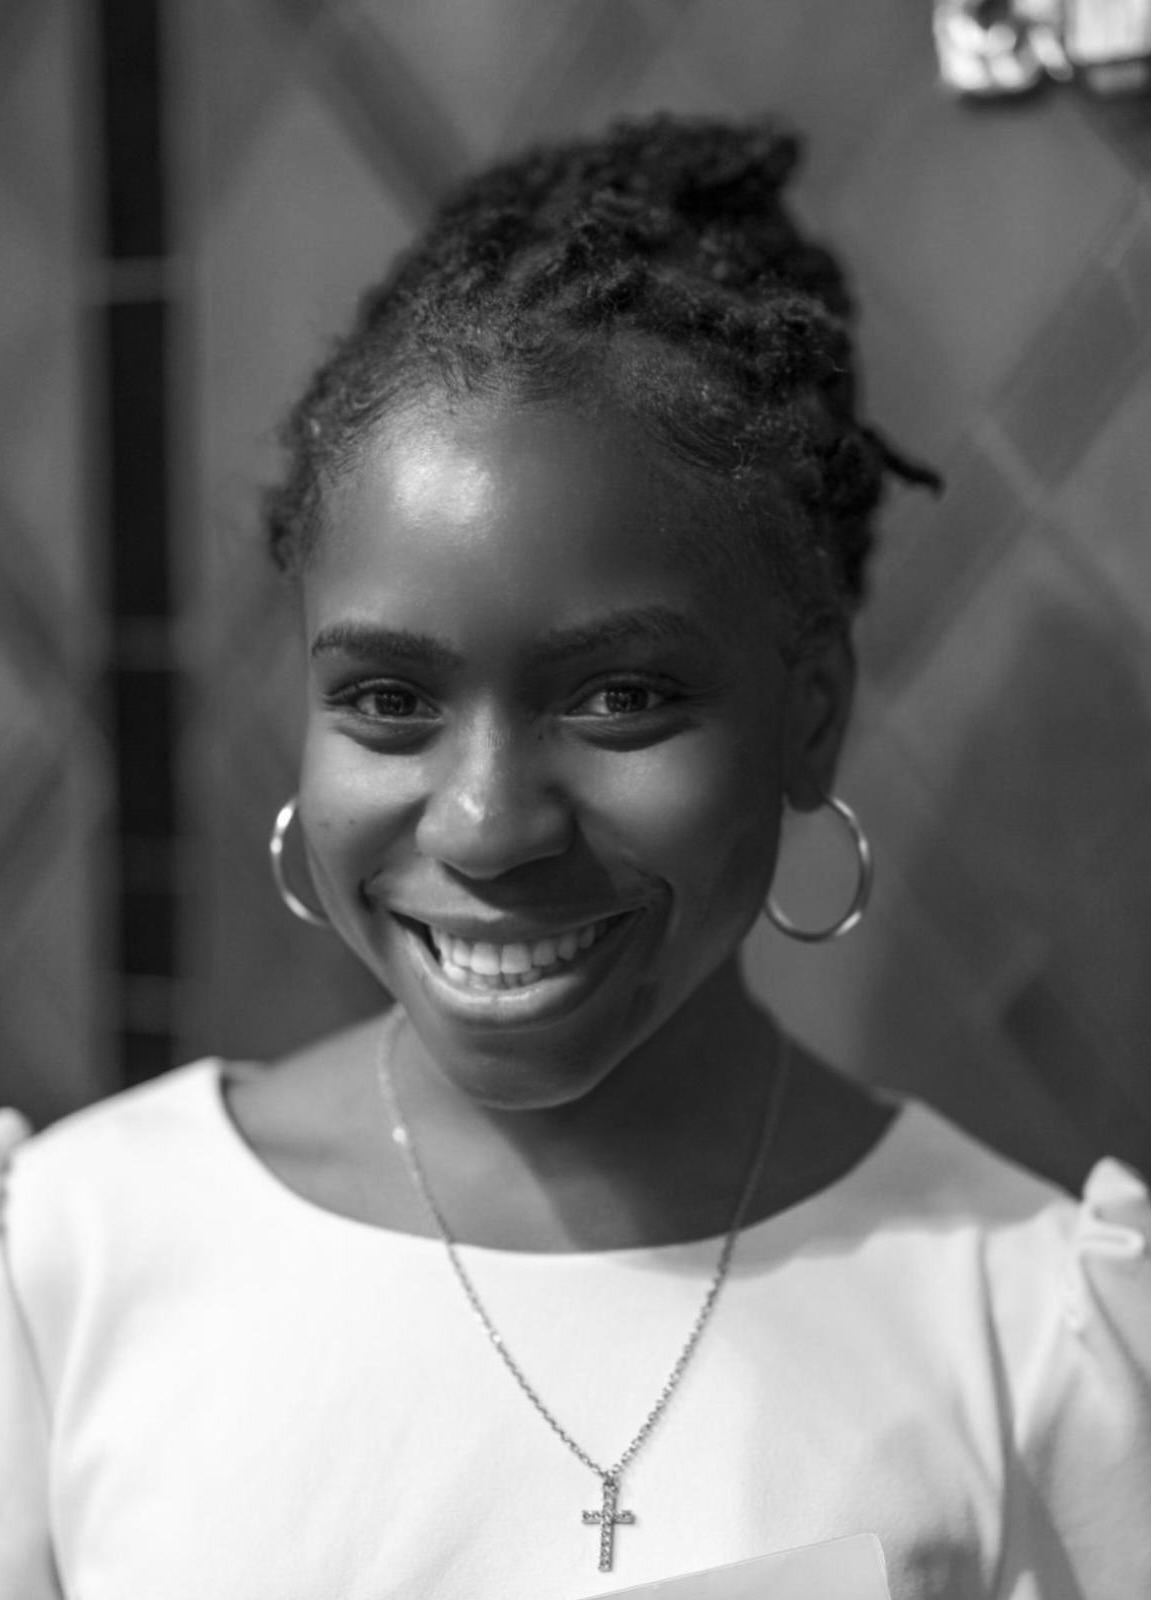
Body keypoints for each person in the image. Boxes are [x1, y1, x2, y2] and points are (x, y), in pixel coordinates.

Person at [1, 114, 1148, 1600]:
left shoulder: (1025, 1333)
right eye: (388, 701)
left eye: (620, 698)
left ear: (809, 715)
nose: (485, 823)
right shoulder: (77, 1264)